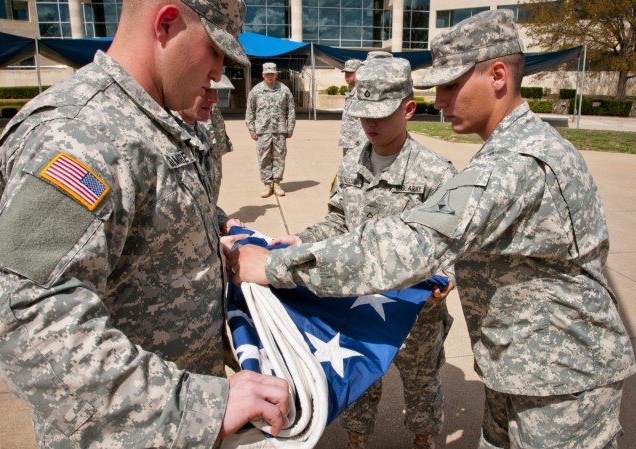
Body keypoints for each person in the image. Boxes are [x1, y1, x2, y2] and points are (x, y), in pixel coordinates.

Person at [229, 9, 636, 449]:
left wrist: (275, 265)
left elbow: (411, 243)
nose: (438, 100)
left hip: (560, 380)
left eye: (450, 84)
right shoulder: (504, 153)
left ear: (497, 75)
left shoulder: (518, 164)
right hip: (525, 367)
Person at [0, 1, 289, 448]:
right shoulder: (82, 135)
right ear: (166, 22)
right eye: (214, 50)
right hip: (127, 429)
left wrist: (222, 234)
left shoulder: (152, 119)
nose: (218, 73)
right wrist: (197, 406)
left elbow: (156, 214)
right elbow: (24, 317)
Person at [270, 57, 457, 449]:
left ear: (408, 109)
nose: (369, 124)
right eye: (361, 114)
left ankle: (423, 439)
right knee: (357, 376)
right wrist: (302, 239)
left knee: (421, 380)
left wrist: (447, 276)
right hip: (357, 298)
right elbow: (337, 222)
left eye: (380, 115)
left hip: (414, 311)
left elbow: (453, 241)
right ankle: (357, 441)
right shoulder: (351, 164)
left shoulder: (436, 174)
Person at [176, 87, 243, 235]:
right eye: (205, 89)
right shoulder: (157, 137)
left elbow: (204, 198)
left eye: (216, 92)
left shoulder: (201, 133)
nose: (214, 99)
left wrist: (220, 220)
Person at [246, 62, 296, 198]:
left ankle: (277, 183)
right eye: (267, 73)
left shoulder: (284, 90)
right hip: (263, 131)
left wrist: (290, 128)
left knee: (279, 157)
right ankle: (267, 185)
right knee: (264, 158)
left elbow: (290, 110)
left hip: (280, 130)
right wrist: (252, 130)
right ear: (262, 74)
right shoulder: (256, 91)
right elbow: (250, 112)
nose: (269, 76)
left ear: (276, 74)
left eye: (272, 73)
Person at [209, 73, 236, 201]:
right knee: (212, 181)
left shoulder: (212, 104)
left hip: (215, 151)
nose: (216, 97)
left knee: (216, 179)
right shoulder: (202, 104)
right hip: (210, 151)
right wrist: (214, 145)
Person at [338, 59, 364, 156]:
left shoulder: (362, 93)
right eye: (345, 72)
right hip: (348, 141)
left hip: (357, 143)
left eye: (350, 72)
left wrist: (360, 141)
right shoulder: (350, 91)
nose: (346, 75)